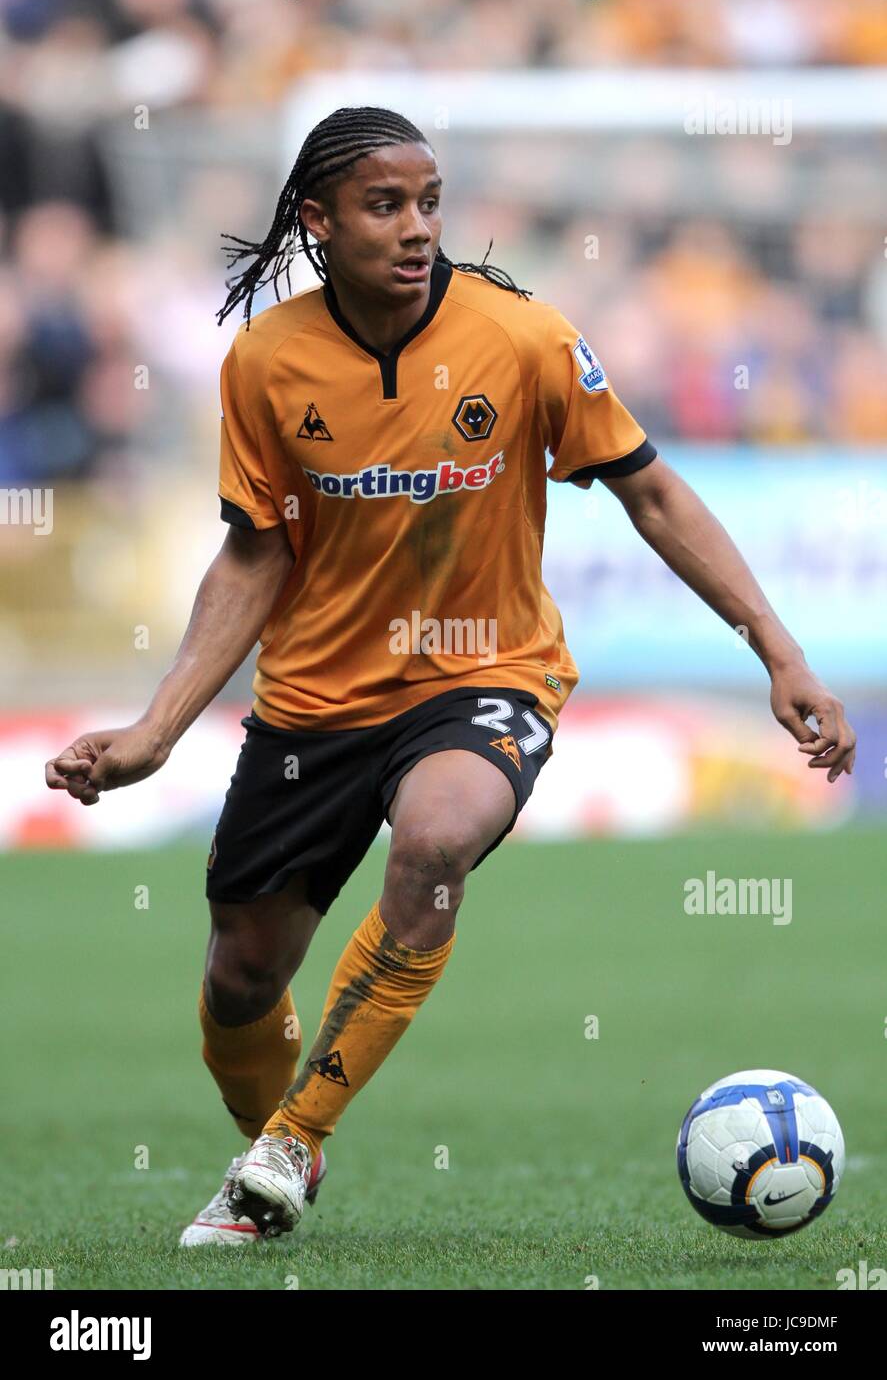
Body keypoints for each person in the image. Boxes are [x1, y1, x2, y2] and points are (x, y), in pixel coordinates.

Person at [45, 106, 856, 1245]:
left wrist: (780, 653)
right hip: (316, 701)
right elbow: (253, 552)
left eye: (429, 201)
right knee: (239, 979)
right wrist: (156, 730)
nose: (417, 226)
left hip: (491, 672)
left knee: (436, 839)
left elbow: (652, 491)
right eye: (385, 205)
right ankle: (275, 1126)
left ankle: (290, 1142)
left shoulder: (520, 338)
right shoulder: (267, 362)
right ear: (318, 221)